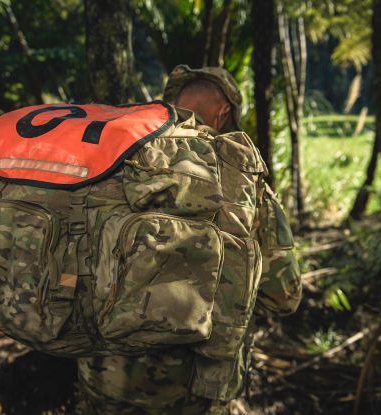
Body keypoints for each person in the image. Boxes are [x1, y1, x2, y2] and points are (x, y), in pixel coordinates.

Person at [76, 65, 301, 415]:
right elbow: (283, 297)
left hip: (100, 376)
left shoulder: (110, 162)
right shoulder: (239, 181)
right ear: (225, 112)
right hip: (190, 392)